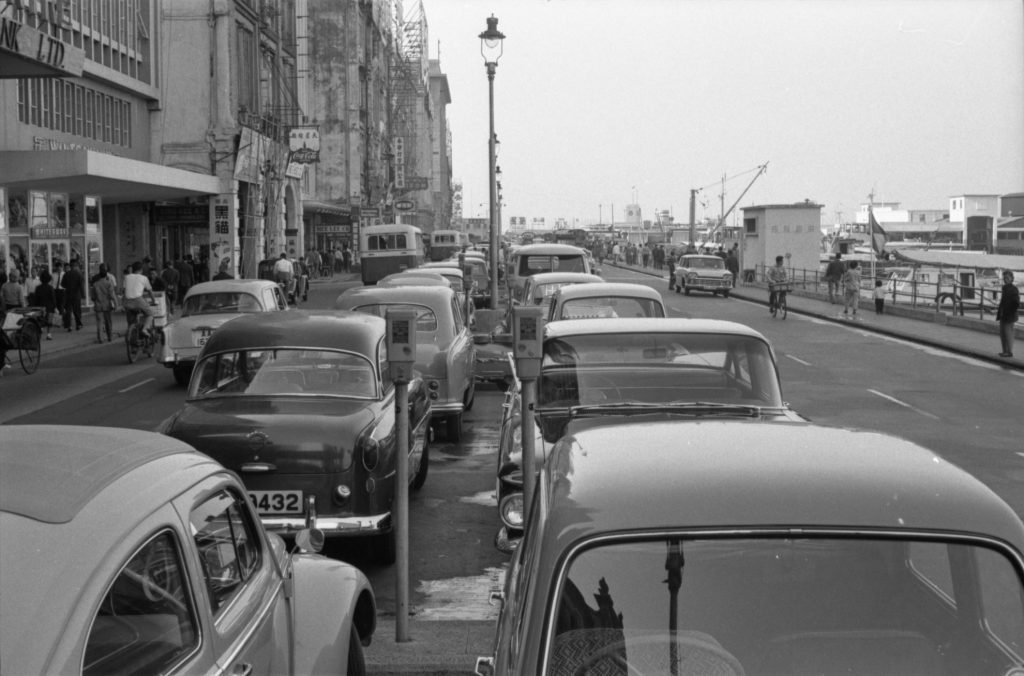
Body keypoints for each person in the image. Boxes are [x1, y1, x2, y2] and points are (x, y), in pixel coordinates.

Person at [123, 261, 157, 338]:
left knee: (131, 320)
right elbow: (150, 291)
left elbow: (124, 290)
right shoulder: (144, 278)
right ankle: (144, 329)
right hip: (138, 300)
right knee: (150, 314)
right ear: (141, 270)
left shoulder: (127, 277)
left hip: (127, 302)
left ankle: (131, 333)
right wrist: (154, 301)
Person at [996, 270, 1019, 358]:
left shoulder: (1013, 289)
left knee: (1008, 333)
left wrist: (1009, 311)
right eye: (1004, 278)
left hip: (1009, 315)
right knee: (1002, 334)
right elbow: (1003, 302)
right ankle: (1005, 351)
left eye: (1007, 278)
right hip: (1004, 314)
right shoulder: (1005, 288)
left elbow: (1016, 303)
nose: (1005, 279)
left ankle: (1009, 352)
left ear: (1011, 279)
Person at [91, 268, 117, 343]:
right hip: (107, 305)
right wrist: (115, 305)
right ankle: (109, 336)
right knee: (108, 322)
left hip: (98, 305)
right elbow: (112, 296)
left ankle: (100, 338)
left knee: (99, 322)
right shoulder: (109, 283)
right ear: (106, 275)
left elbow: (93, 297)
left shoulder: (95, 284)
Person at [61, 260, 85, 331]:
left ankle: (69, 326)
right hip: (76, 295)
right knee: (77, 310)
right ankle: (78, 325)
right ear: (75, 266)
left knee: (68, 310)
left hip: (68, 295)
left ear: (70, 266)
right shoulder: (79, 274)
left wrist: (68, 286)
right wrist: (83, 295)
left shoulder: (66, 274)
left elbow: (62, 284)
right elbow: (81, 286)